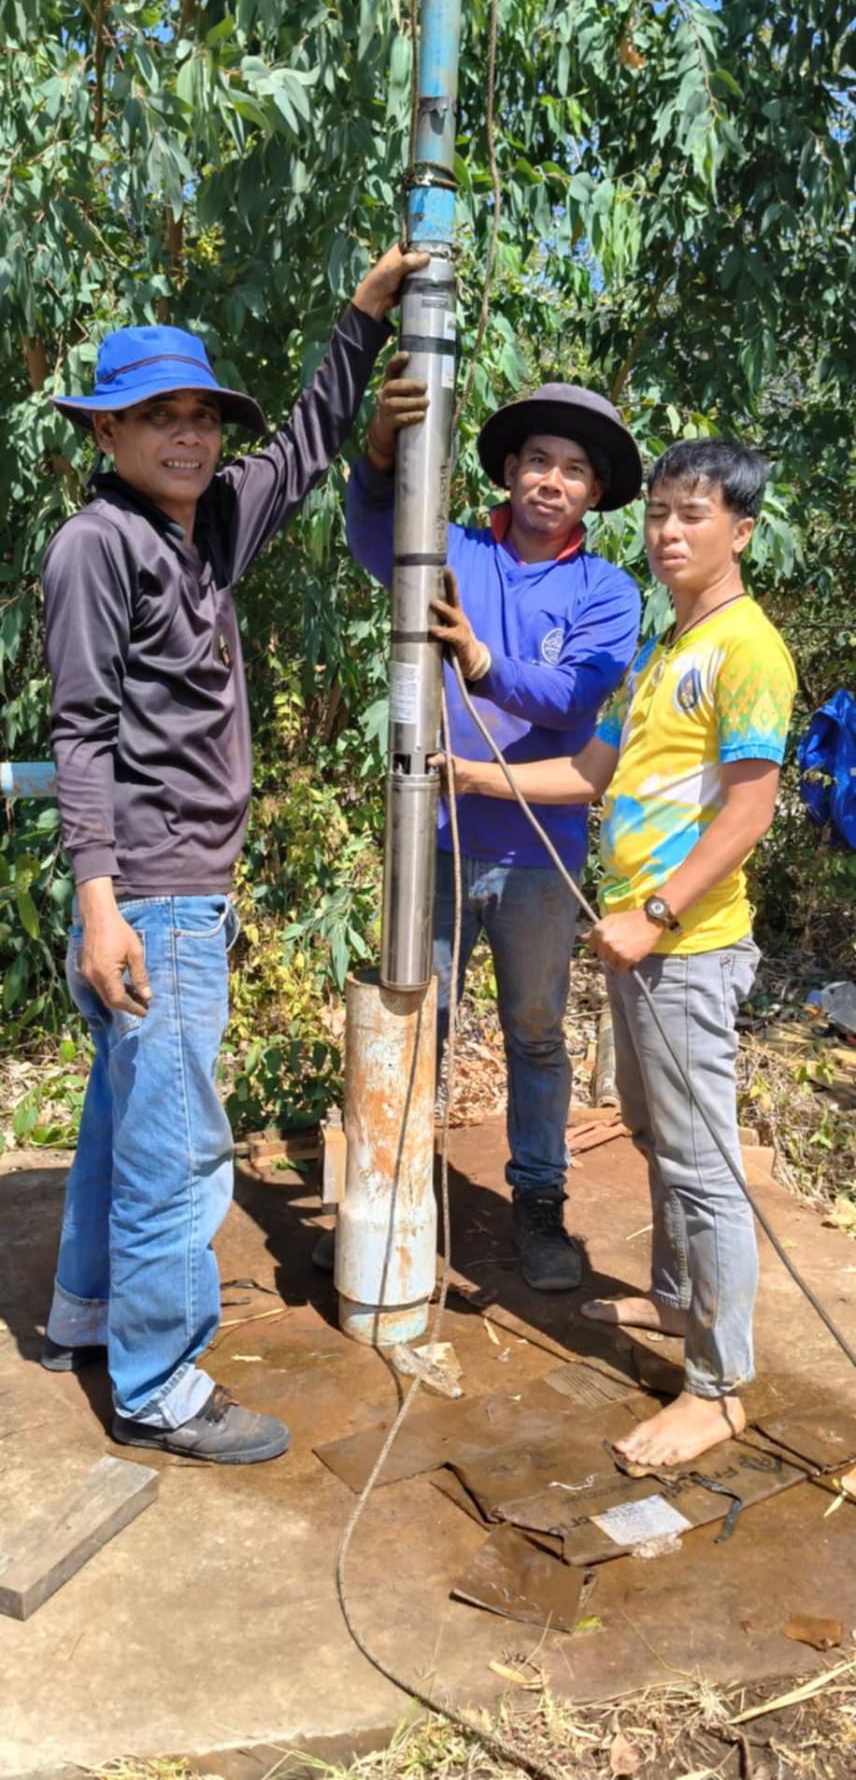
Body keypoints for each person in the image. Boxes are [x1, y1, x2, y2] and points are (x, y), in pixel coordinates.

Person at [40, 243, 427, 1464]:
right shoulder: (97, 545)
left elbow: (303, 448)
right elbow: (80, 733)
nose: (189, 435)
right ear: (105, 430)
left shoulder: (203, 530)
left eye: (202, 415)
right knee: (177, 1152)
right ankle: (159, 1386)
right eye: (158, 416)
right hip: (148, 894)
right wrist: (101, 906)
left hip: (180, 890)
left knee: (123, 1119)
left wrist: (360, 317)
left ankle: (85, 1312)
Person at [444, 438, 797, 1465]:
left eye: (694, 515)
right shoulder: (666, 649)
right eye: (658, 514)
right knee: (652, 1129)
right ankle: (678, 1298)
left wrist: (655, 911)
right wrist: (474, 774)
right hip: (646, 946)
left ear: (740, 531)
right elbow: (591, 770)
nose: (669, 533)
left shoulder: (746, 650)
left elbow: (750, 810)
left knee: (703, 1164)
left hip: (685, 945)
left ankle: (718, 1386)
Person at [343, 369, 642, 1289]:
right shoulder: (453, 550)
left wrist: (478, 659)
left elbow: (572, 695)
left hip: (538, 856)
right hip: (430, 838)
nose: (552, 481)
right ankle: (394, 1198)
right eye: (537, 460)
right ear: (509, 469)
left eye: (573, 470)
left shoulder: (608, 592)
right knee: (415, 1019)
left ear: (595, 492)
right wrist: (380, 450)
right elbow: (371, 533)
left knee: (536, 1032)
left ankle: (540, 1204)